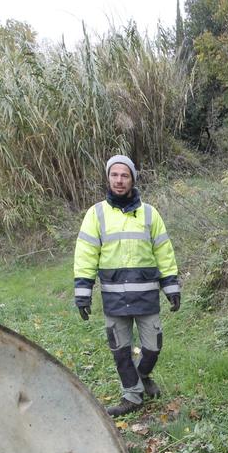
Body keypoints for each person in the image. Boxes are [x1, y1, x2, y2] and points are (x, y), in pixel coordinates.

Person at [74, 155, 181, 416]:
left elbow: (163, 252)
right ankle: (132, 397)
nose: (119, 180)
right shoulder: (96, 214)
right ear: (108, 178)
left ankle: (142, 375)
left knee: (153, 347)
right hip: (114, 299)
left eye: (124, 175)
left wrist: (171, 287)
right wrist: (83, 293)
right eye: (114, 175)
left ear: (133, 179)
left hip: (146, 297)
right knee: (120, 351)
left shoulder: (149, 214)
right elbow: (86, 254)